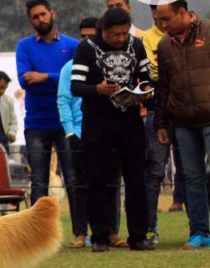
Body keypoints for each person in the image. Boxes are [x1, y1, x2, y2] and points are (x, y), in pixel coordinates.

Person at [71, 7, 154, 252]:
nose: (121, 39)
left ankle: (138, 236)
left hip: (129, 120)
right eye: (116, 34)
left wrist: (144, 92)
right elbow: (76, 86)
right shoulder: (86, 48)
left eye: (125, 33)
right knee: (98, 179)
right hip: (97, 121)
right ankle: (99, 236)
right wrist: (98, 90)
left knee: (136, 179)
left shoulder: (136, 45)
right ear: (103, 30)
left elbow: (146, 76)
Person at [154, 0, 210, 250]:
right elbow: (163, 88)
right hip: (184, 122)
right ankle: (199, 232)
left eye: (166, 19)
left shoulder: (208, 31)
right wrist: (161, 122)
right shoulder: (164, 45)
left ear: (183, 13)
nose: (161, 24)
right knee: (192, 177)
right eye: (159, 19)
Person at [16, 0, 79, 204]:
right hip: (36, 123)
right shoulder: (24, 46)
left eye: (43, 14)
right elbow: (24, 80)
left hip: (67, 122)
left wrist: (43, 77)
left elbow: (74, 80)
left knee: (73, 178)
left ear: (53, 13)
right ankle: (37, 234)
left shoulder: (72, 45)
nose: (40, 19)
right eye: (35, 16)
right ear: (30, 20)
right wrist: (60, 78)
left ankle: (80, 234)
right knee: (38, 182)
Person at [141, 2, 183, 244]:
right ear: (153, 12)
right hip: (158, 111)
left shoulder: (187, 36)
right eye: (156, 8)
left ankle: (199, 230)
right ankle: (150, 229)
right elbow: (153, 73)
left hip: (188, 111)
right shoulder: (145, 38)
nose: (160, 14)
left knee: (192, 170)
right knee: (155, 170)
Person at [57, 18, 97, 248]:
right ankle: (80, 234)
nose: (86, 40)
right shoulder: (68, 68)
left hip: (102, 133)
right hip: (79, 134)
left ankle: (108, 232)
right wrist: (70, 132)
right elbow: (63, 101)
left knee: (105, 184)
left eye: (91, 35)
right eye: (83, 36)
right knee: (79, 185)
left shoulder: (106, 65)